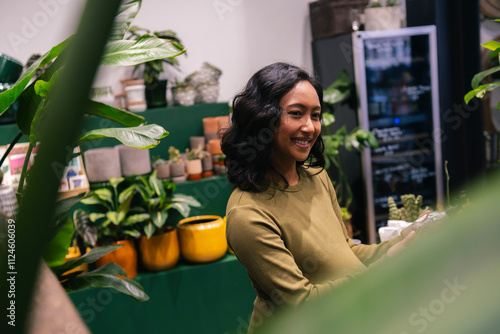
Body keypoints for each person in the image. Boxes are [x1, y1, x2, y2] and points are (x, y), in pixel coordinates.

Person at [221, 62, 415, 333]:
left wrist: (407, 241)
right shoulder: (247, 214)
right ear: (262, 119)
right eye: (296, 113)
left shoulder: (316, 177)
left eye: (315, 115)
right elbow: (303, 302)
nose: (310, 127)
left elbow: (346, 252)